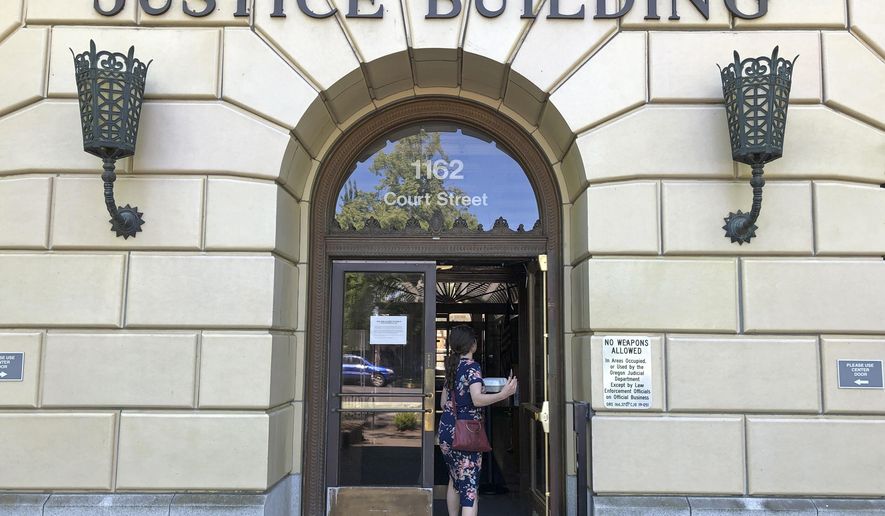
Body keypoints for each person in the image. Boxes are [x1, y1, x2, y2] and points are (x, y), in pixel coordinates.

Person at [438, 325, 518, 516]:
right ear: (472, 344)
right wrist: (504, 394)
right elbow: (477, 399)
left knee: (455, 480)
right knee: (469, 490)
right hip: (467, 433)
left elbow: (443, 403)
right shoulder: (472, 367)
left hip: (446, 430)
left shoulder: (451, 366)